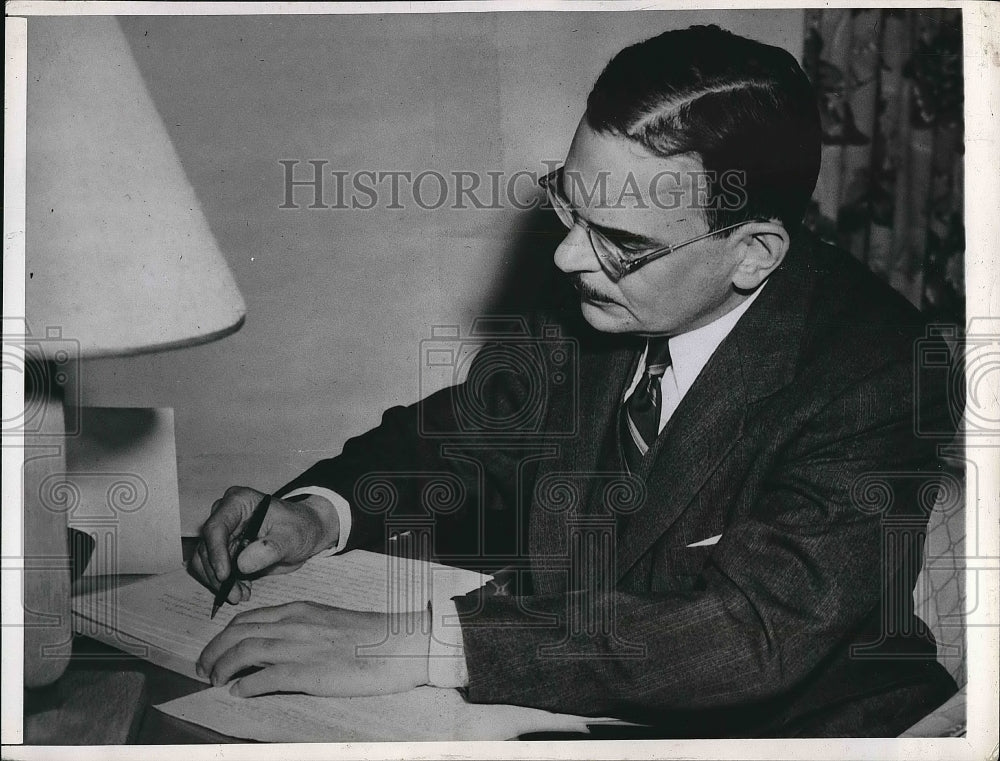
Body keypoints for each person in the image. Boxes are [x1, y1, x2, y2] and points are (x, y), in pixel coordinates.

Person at [190, 25, 958, 737]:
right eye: (569, 203)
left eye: (621, 241)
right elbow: (464, 439)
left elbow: (752, 629)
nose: (567, 257)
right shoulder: (597, 296)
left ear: (753, 252)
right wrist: (318, 513)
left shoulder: (880, 367)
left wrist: (425, 644)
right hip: (571, 711)